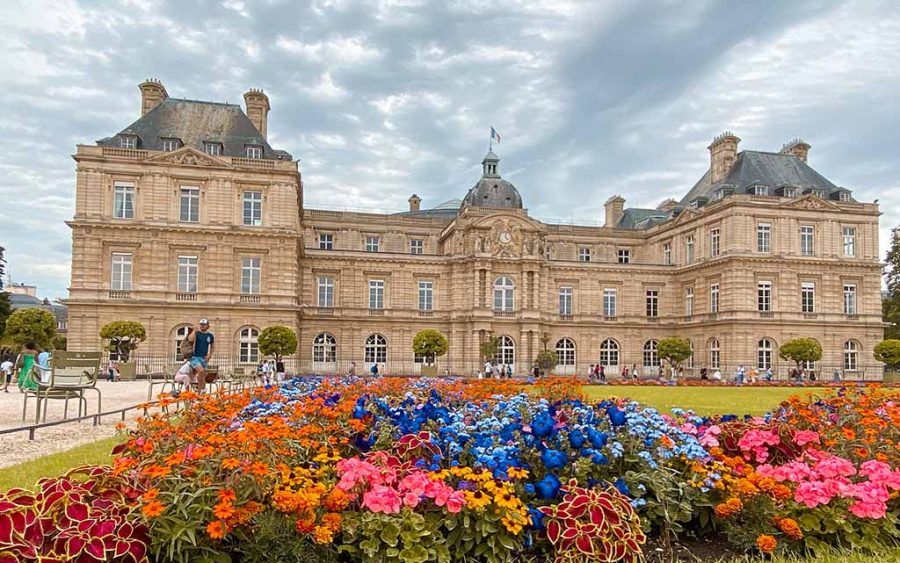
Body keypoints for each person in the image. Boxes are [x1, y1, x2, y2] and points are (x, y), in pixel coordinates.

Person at [188, 318, 215, 392]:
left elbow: (212, 346)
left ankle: (200, 392)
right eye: (201, 324)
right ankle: (201, 390)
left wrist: (209, 355)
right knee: (201, 371)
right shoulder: (197, 333)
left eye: (204, 324)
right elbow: (190, 339)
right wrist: (194, 330)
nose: (202, 326)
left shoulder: (210, 336)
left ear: (208, 326)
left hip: (204, 358)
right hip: (195, 357)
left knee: (202, 376)